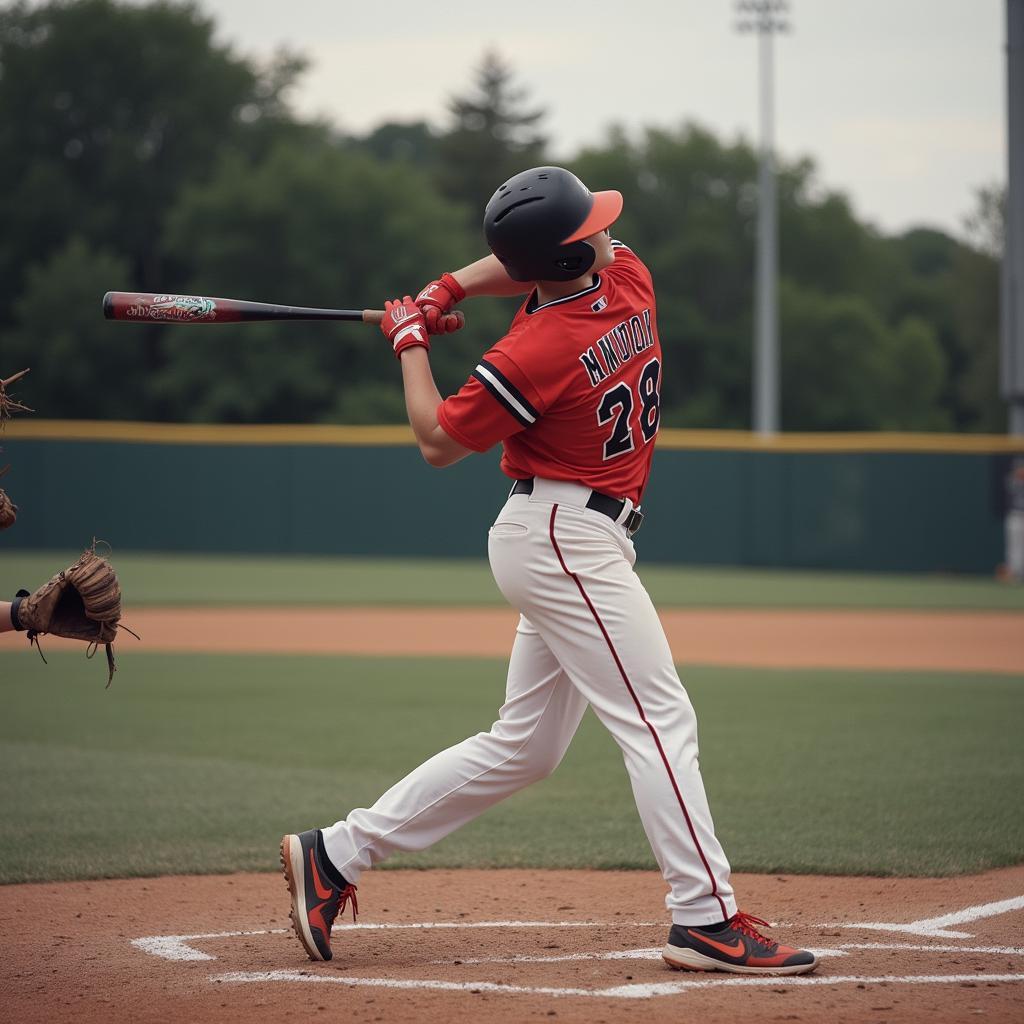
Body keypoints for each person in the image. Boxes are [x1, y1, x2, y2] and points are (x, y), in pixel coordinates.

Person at [281, 166, 817, 976]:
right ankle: (705, 919)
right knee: (660, 720)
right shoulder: (552, 334)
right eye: (590, 227)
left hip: (568, 536)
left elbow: (520, 270)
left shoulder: (596, 287)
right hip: (564, 537)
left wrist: (435, 293)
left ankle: (335, 855)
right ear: (567, 258)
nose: (606, 230)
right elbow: (435, 440)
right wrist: (411, 343)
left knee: (526, 747)